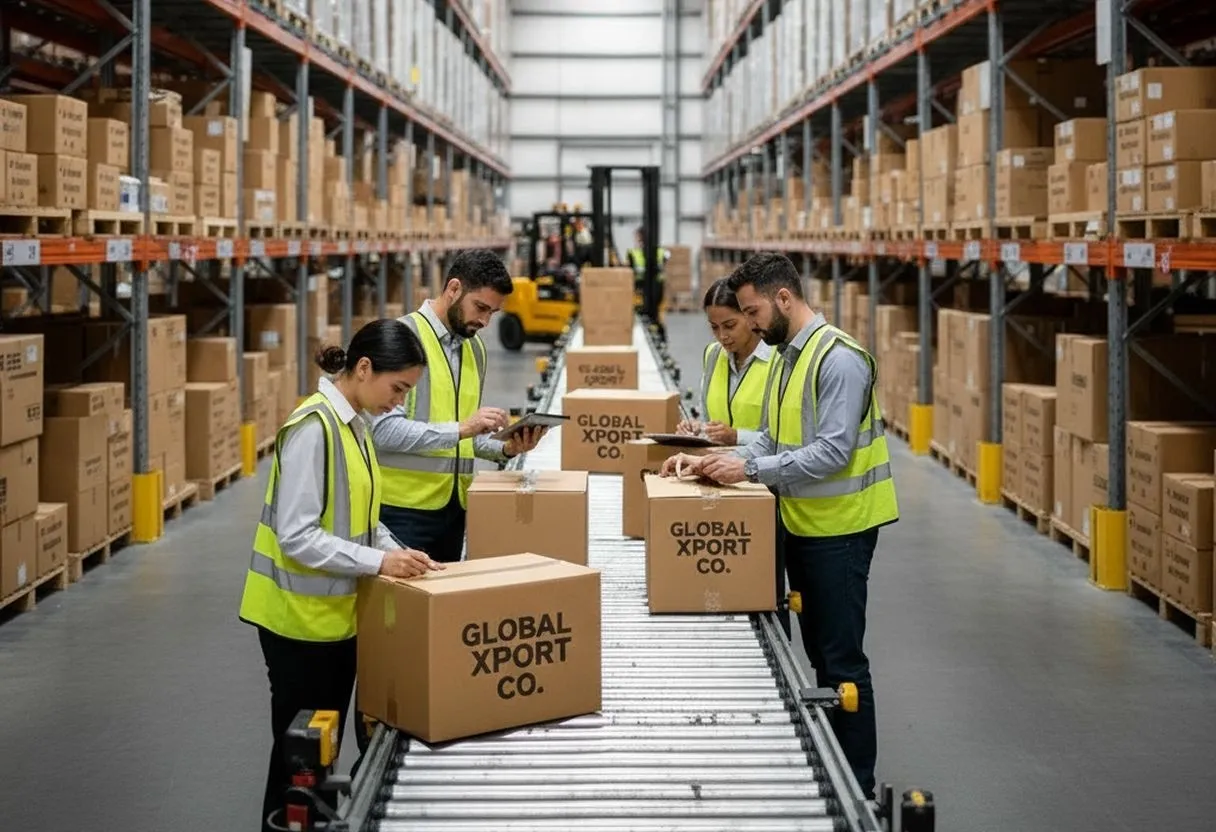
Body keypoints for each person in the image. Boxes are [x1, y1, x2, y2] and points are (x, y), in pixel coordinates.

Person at [659, 251, 899, 799]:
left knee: (841, 660)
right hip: (802, 522)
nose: (750, 324)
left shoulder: (838, 359)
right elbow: (771, 437)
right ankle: (832, 764)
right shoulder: (791, 356)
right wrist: (709, 461)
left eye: (753, 311)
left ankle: (858, 787)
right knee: (816, 653)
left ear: (783, 298)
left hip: (840, 529)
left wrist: (751, 467)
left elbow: (832, 453)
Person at [238, 319, 446, 832]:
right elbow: (297, 535)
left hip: (332, 620)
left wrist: (403, 554)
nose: (399, 402)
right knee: (300, 761)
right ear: (363, 367)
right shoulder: (314, 428)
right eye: (397, 388)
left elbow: (360, 516)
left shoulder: (353, 424)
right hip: (296, 625)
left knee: (321, 752)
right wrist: (380, 564)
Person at [372, 249, 547, 564]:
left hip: (455, 511)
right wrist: (463, 428)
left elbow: (463, 439)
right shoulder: (403, 338)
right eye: (480, 307)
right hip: (401, 512)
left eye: (492, 313)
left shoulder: (475, 348)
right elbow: (381, 431)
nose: (484, 320)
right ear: (453, 289)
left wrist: (505, 447)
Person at [677, 277, 775, 446]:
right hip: (717, 463)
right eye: (714, 327)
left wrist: (737, 436)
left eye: (730, 325)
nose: (722, 336)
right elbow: (706, 416)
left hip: (757, 467)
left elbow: (784, 441)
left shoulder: (778, 360)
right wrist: (697, 428)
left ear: (750, 316)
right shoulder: (713, 355)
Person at [625, 226, 669, 339]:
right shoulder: (660, 251)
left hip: (646, 289)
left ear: (640, 237)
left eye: (637, 236)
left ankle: (654, 330)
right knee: (654, 315)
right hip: (653, 288)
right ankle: (657, 333)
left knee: (651, 314)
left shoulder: (634, 253)